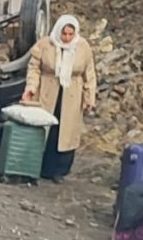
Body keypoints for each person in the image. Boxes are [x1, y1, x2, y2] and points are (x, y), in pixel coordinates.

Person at [21, 15, 98, 183]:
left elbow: (89, 74)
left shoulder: (82, 47)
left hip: (72, 93)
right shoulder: (45, 44)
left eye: (71, 34)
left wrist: (89, 97)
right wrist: (31, 87)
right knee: (45, 129)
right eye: (64, 34)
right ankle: (35, 168)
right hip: (48, 91)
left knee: (66, 131)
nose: (67, 38)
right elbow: (34, 68)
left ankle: (59, 170)